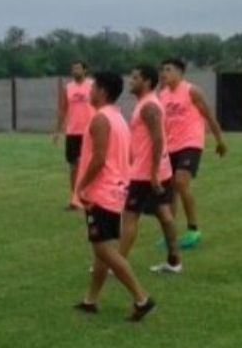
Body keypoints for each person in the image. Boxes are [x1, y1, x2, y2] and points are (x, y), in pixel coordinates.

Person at [73, 71, 155, 321]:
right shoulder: (118, 117)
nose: (89, 91)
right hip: (116, 189)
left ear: (103, 91)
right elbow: (126, 155)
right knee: (102, 249)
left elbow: (98, 159)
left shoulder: (100, 119)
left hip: (101, 192)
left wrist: (81, 187)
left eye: (94, 87)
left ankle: (142, 299)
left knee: (105, 250)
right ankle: (91, 300)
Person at [158, 58, 228, 249]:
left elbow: (209, 115)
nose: (164, 73)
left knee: (181, 182)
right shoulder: (162, 95)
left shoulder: (191, 91)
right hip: (169, 146)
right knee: (170, 189)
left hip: (191, 143)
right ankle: (170, 235)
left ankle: (193, 230)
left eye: (168, 69)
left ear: (180, 73)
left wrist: (219, 140)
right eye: (162, 70)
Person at [119, 66, 182, 274]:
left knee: (129, 216)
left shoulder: (149, 107)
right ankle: (174, 262)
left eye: (135, 77)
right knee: (164, 214)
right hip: (153, 169)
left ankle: (117, 264)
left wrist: (153, 173)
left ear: (146, 82)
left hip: (146, 173)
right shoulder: (146, 104)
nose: (130, 80)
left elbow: (157, 139)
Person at [54, 61, 96, 210]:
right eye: (73, 68)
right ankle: (75, 199)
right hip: (73, 132)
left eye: (78, 68)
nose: (74, 70)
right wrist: (57, 131)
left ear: (85, 70)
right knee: (74, 167)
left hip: (90, 132)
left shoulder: (93, 85)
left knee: (91, 165)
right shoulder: (68, 88)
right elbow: (63, 110)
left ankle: (91, 197)